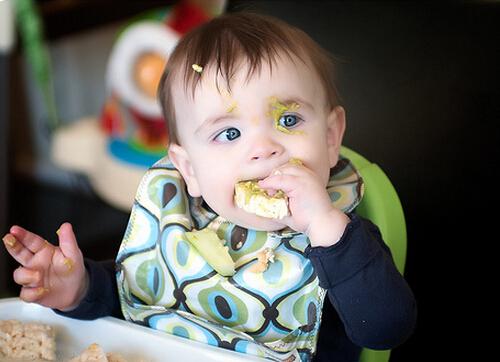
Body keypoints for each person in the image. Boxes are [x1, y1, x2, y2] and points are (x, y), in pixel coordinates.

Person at [2, 12, 416, 362]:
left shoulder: (344, 243)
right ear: (190, 170)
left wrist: (325, 224)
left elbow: (385, 329)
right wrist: (80, 290)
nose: (264, 149)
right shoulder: (179, 224)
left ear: (330, 138)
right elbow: (138, 297)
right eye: (229, 133)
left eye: (288, 121)